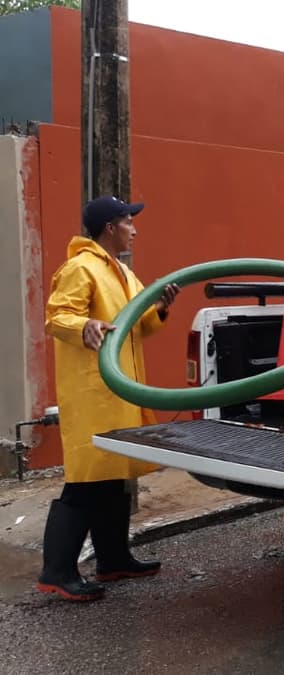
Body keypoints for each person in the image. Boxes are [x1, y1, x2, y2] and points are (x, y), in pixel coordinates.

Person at [38, 196, 181, 602]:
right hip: (92, 395)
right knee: (84, 483)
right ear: (109, 228)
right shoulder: (81, 268)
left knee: (114, 477)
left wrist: (160, 309)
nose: (134, 229)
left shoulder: (122, 273)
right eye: (127, 221)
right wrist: (84, 326)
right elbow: (57, 317)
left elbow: (139, 329)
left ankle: (113, 559)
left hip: (121, 393)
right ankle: (56, 571)